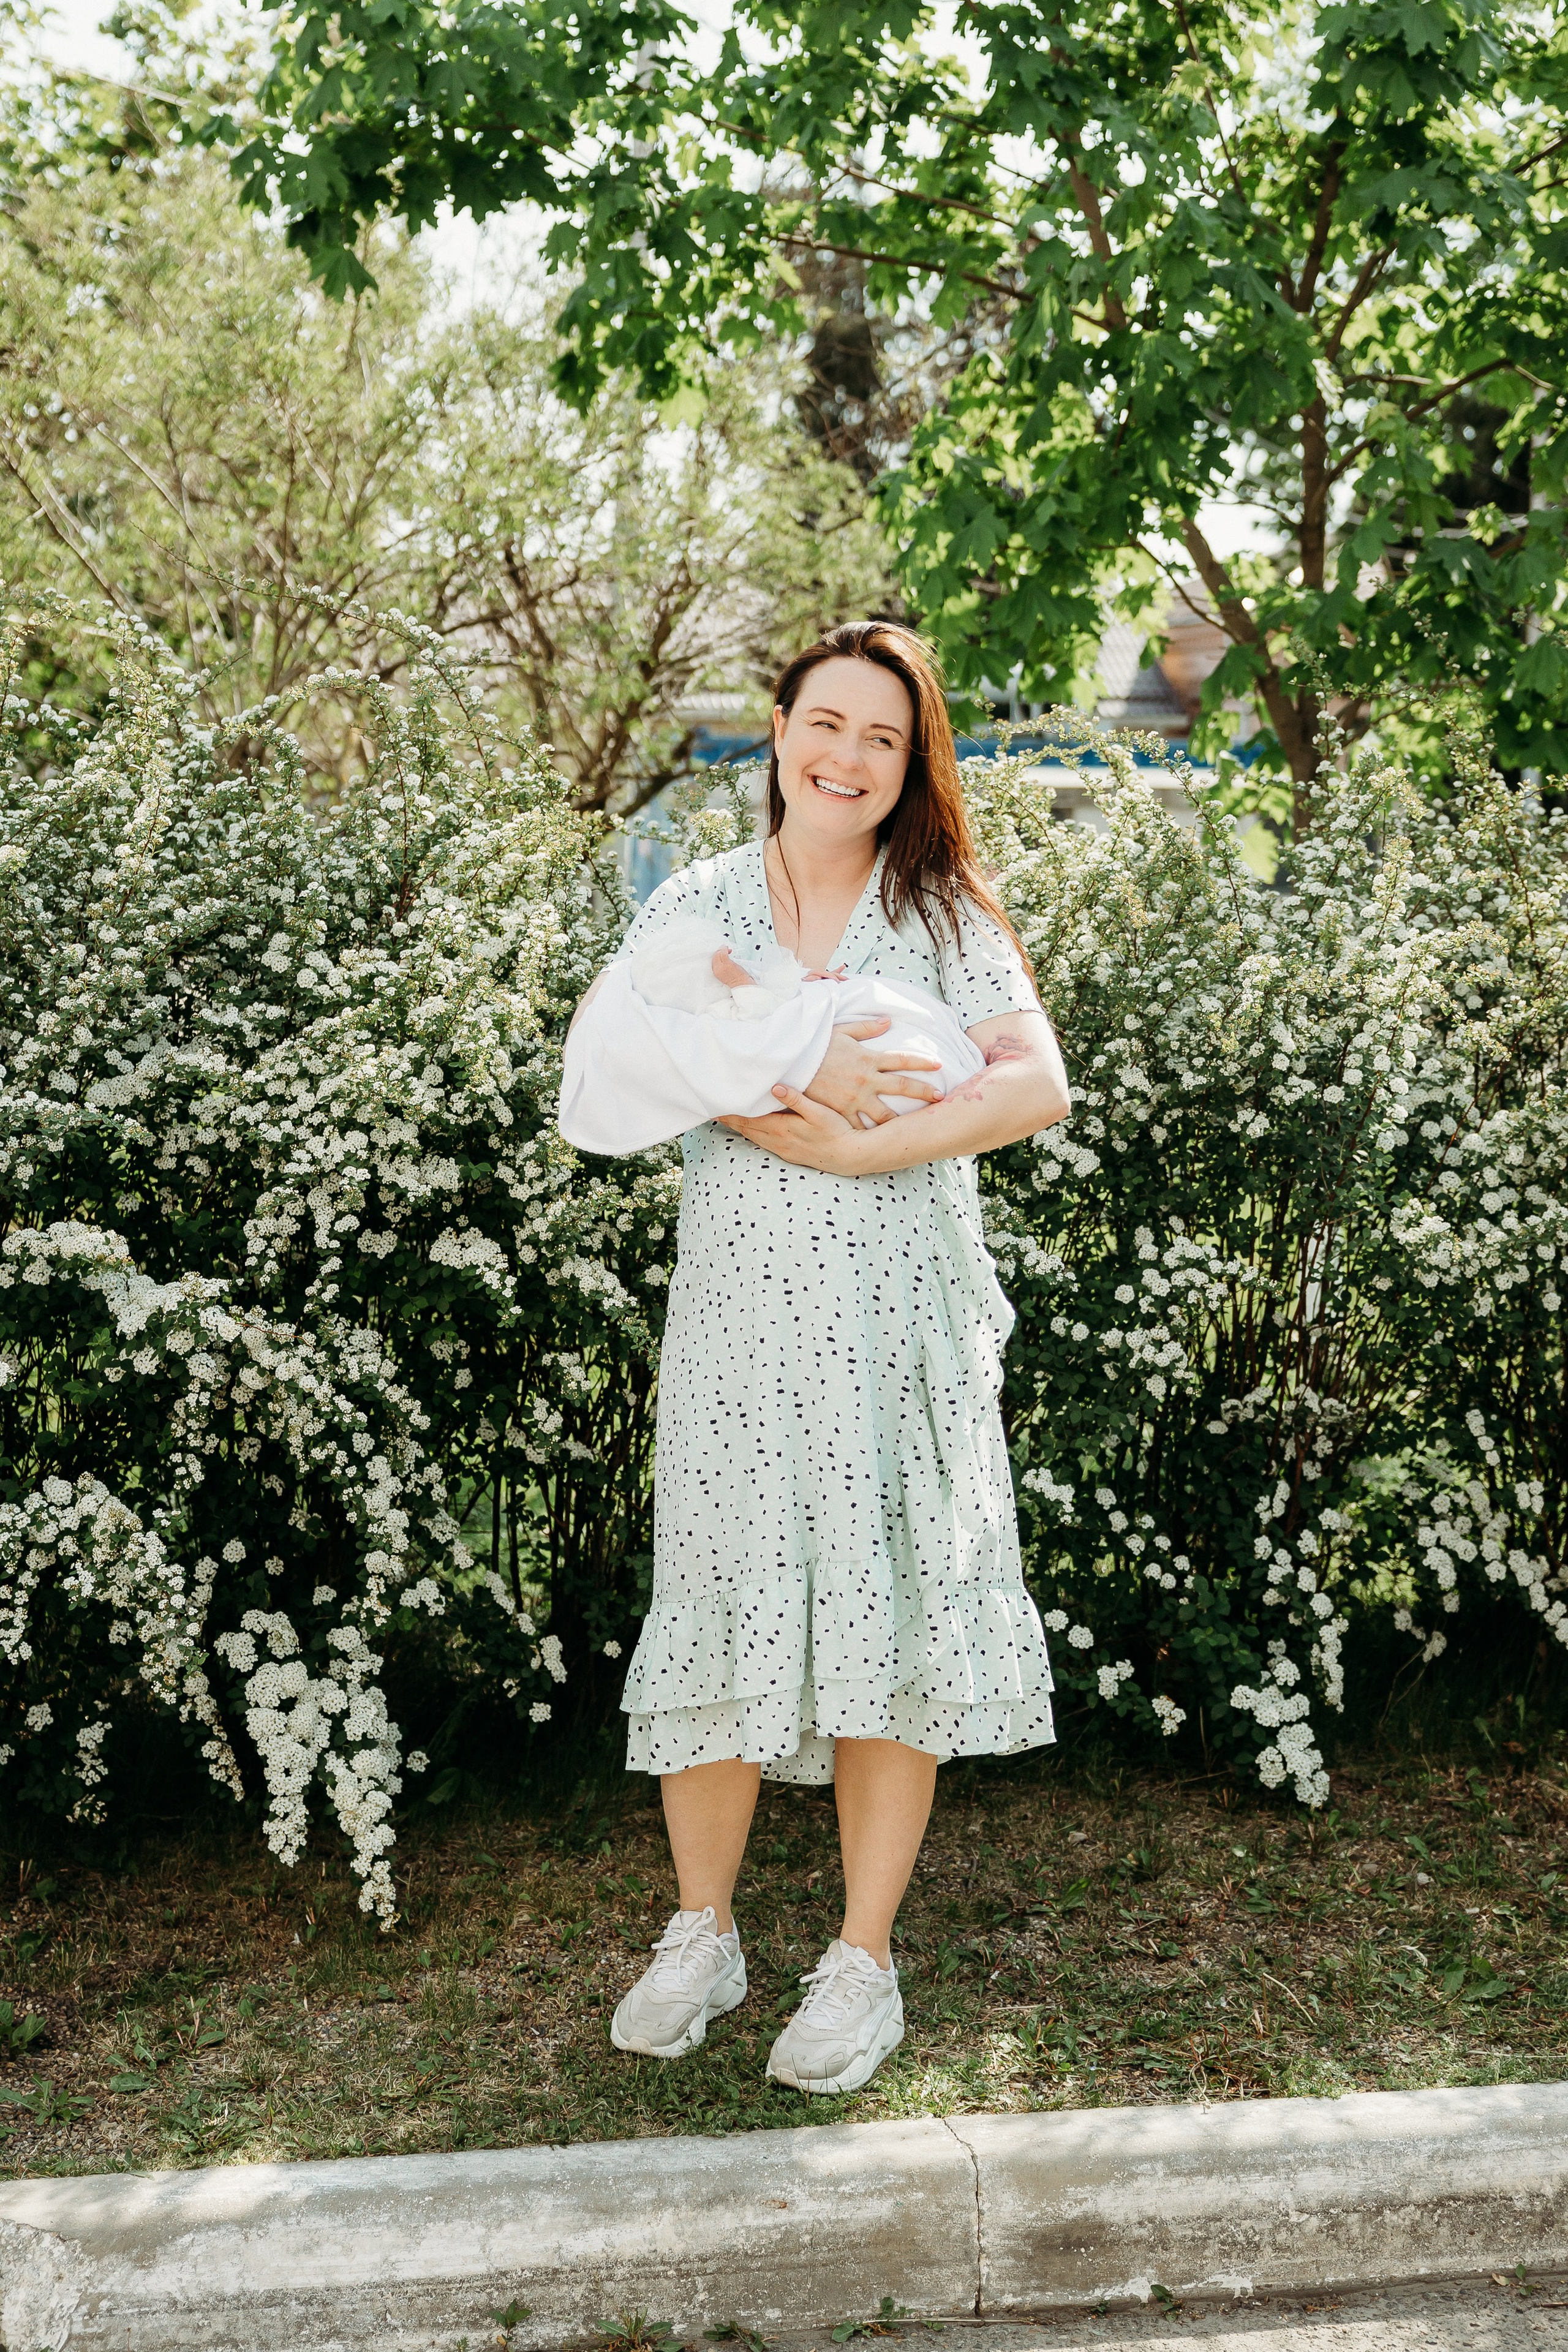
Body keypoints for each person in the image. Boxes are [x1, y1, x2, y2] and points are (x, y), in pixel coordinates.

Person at [566, 620, 1071, 2097]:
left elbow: (1033, 1082)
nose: (846, 756)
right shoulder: (699, 904)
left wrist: (863, 1142)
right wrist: (778, 1077)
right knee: (719, 1596)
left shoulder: (938, 907)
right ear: (776, 726)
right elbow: (619, 1066)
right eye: (825, 722)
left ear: (910, 765)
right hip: (734, 1317)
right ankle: (700, 1929)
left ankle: (859, 1959)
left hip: (895, 1316)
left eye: (882, 737)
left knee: (886, 1613)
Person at [557, 914, 987, 1153]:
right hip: (734, 1271)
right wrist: (801, 1056)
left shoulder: (950, 908)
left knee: (903, 1040)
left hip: (904, 1250)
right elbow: (606, 1030)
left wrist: (799, 986)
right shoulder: (700, 893)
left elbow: (1035, 1086)